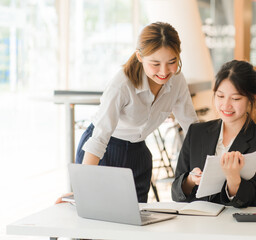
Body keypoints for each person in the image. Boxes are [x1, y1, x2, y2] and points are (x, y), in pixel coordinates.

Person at [57, 22, 198, 203]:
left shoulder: (177, 80)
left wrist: (209, 165)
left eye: (172, 62)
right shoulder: (122, 84)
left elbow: (191, 127)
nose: (164, 71)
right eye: (155, 63)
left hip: (138, 152)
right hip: (104, 152)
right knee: (97, 220)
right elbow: (99, 139)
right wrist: (82, 188)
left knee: (136, 220)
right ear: (140, 56)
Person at [171, 60, 256, 208]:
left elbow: (255, 200)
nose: (226, 105)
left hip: (236, 227)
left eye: (235, 98)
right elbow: (176, 192)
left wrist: (233, 179)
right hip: (196, 224)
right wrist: (190, 180)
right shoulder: (196, 133)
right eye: (220, 96)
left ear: (251, 98)